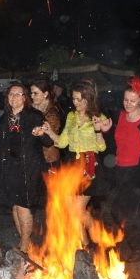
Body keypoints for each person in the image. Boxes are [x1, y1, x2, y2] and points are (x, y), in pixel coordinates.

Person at [101, 76, 140, 262]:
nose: (128, 104)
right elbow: (112, 145)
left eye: (133, 101)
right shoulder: (118, 116)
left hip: (139, 176)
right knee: (115, 212)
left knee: (132, 216)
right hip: (119, 173)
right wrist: (105, 131)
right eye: (126, 100)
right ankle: (133, 246)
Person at [41, 80, 109, 246]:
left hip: (89, 165)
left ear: (88, 99)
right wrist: (49, 132)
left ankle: (101, 240)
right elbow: (63, 143)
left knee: (77, 210)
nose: (75, 102)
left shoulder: (98, 117)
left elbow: (102, 146)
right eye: (74, 99)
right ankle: (84, 246)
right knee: (72, 211)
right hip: (72, 166)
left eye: (79, 99)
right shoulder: (71, 116)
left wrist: (99, 129)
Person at [0, 83, 53, 252]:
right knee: (16, 206)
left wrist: (43, 134)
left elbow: (48, 142)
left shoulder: (34, 116)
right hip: (10, 168)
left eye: (18, 94)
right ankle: (25, 242)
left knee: (24, 206)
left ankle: (25, 247)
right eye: (11, 94)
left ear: (25, 98)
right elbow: (3, 145)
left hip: (30, 168)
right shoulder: (4, 119)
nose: (14, 98)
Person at [30, 79, 62, 171]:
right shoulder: (33, 109)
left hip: (48, 158)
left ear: (45, 94)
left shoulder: (51, 113)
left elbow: (49, 140)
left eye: (35, 93)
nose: (32, 96)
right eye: (31, 93)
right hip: (37, 157)